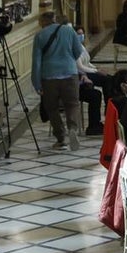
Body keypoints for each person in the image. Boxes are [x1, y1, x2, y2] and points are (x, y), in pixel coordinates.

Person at [32, 11, 83, 151]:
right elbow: (78, 51)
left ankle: (61, 139)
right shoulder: (68, 30)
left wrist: (36, 83)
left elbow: (36, 61)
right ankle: (72, 129)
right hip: (70, 73)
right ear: (54, 19)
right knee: (72, 104)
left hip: (49, 77)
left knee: (52, 108)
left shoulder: (40, 35)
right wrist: (68, 59)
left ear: (43, 21)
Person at [76, 27, 110, 136]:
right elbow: (79, 67)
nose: (81, 36)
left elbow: (87, 62)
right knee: (96, 93)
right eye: (78, 34)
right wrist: (95, 71)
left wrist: (96, 69)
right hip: (75, 84)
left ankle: (110, 109)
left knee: (109, 79)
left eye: (82, 34)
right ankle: (94, 126)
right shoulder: (72, 49)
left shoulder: (81, 47)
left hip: (82, 76)